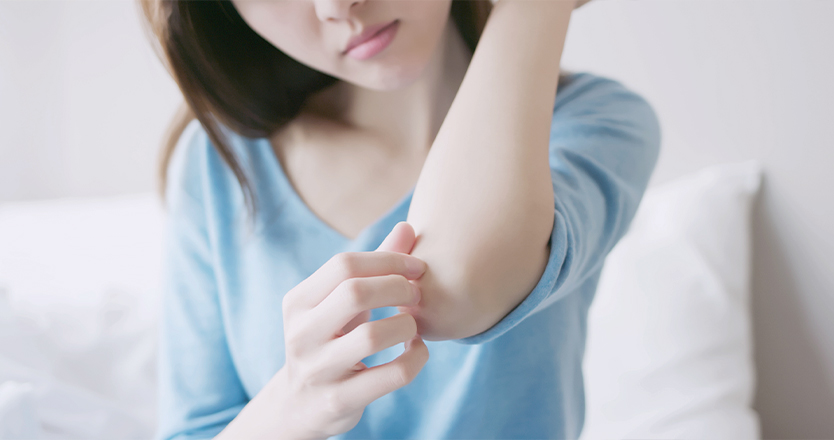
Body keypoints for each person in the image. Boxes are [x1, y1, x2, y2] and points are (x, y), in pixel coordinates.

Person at [138, 0, 660, 438]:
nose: (337, 6)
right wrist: (293, 405)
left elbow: (455, 287)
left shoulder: (595, 122)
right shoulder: (219, 162)